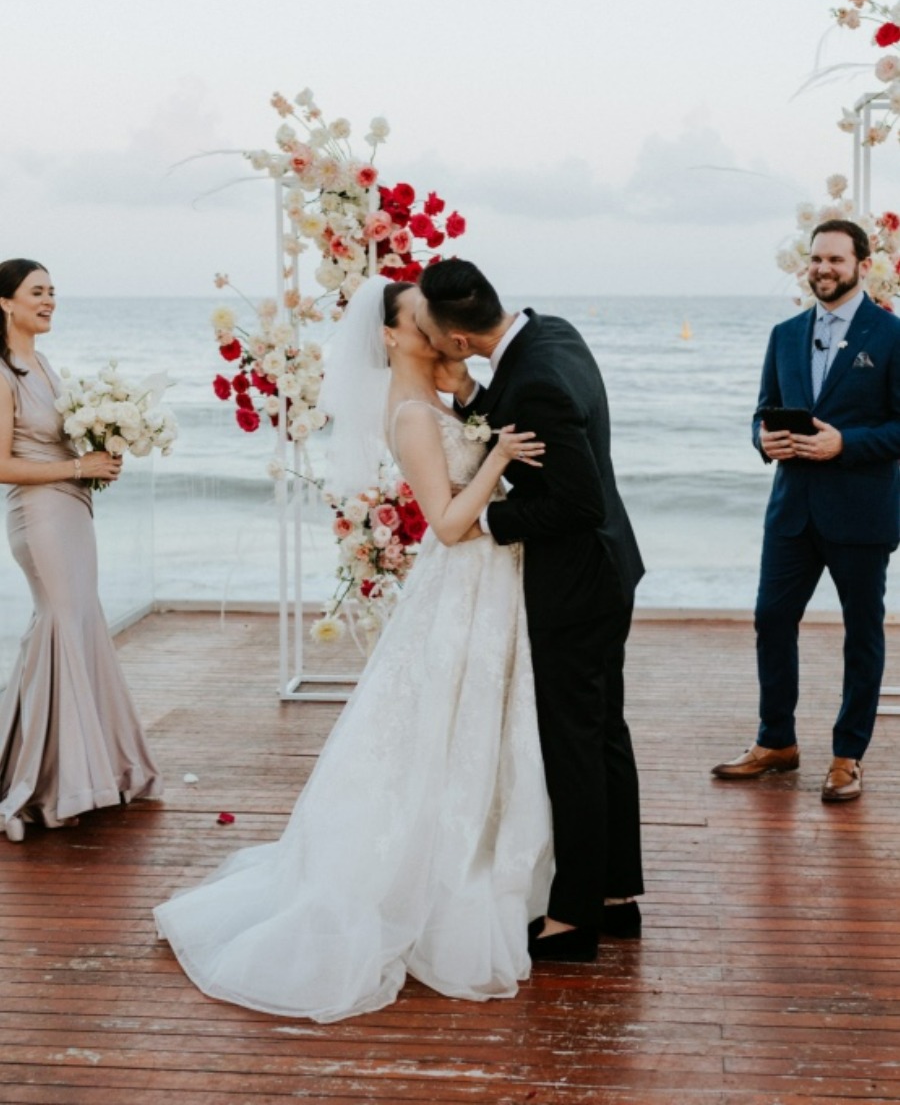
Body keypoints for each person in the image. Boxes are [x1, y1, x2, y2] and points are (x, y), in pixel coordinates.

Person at [154, 275, 554, 1023]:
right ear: (392, 334)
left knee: (470, 729)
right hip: (463, 579)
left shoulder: (436, 397)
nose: (436, 327)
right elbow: (446, 522)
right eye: (421, 319)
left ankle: (488, 862)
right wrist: (496, 461)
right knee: (434, 732)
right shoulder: (407, 416)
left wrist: (474, 403)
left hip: (487, 589)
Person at [414, 259, 645, 963]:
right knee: (604, 732)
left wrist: (483, 524)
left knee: (574, 744)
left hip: (576, 584)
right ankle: (615, 895)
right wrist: (471, 403)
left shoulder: (534, 380)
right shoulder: (552, 335)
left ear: (455, 338)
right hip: (611, 570)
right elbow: (526, 413)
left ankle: (572, 919)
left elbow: (575, 504)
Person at [712, 219, 900, 802]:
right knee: (771, 619)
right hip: (792, 511)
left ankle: (848, 756)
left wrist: (846, 443)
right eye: (816, 259)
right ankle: (777, 743)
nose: (823, 269)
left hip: (861, 513)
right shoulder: (785, 334)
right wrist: (760, 439)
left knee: (862, 633)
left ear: (863, 266)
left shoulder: (892, 335)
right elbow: (764, 409)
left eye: (836, 260)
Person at [0, 259, 162, 842]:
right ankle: (45, 786)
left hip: (72, 509)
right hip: (37, 514)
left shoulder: (42, 363)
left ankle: (71, 769)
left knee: (76, 623)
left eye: (53, 292)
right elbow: (0, 464)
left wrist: (100, 456)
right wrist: (75, 465)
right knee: (62, 623)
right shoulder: (2, 372)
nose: (49, 301)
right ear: (5, 303)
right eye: (36, 292)